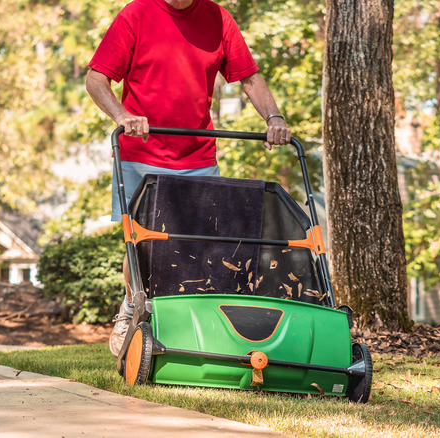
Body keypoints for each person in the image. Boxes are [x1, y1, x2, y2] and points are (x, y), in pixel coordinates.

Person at [85, 0, 291, 357]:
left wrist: (273, 117)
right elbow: (96, 79)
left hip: (197, 155)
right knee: (141, 244)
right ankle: (133, 309)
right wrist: (122, 115)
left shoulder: (217, 19)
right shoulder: (137, 14)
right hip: (143, 153)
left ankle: (193, 325)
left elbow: (249, 78)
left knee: (203, 246)